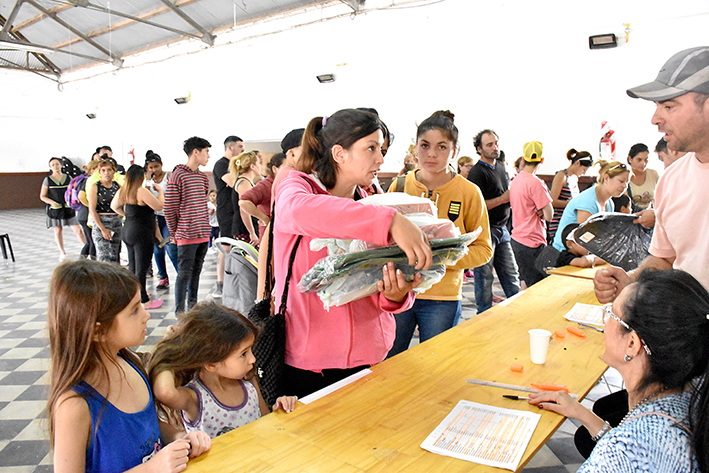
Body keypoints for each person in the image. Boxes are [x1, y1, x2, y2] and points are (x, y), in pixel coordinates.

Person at [273, 109, 432, 398]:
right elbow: (299, 210)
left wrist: (396, 295)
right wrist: (389, 221)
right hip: (310, 363)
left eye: (381, 149)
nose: (381, 159)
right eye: (371, 148)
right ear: (339, 153)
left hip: (371, 355)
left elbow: (377, 285)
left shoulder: (370, 199)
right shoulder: (296, 189)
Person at [529, 269, 709, 472]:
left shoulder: (617, 455)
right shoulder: (689, 394)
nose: (604, 322)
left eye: (611, 314)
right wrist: (579, 412)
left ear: (632, 343)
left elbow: (626, 455)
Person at [46, 260, 210, 473]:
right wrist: (152, 469)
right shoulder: (74, 405)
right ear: (98, 331)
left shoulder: (131, 364)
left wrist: (180, 438)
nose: (146, 315)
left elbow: (148, 429)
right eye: (134, 310)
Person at [595, 46, 709, 303]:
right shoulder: (671, 180)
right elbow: (666, 259)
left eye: (669, 106)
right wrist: (632, 280)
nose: (655, 118)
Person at [385, 111, 492, 357]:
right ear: (415, 148)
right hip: (400, 291)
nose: (432, 154)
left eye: (442, 147)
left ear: (454, 151)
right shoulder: (400, 186)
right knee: (389, 363)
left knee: (436, 364)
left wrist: (444, 258)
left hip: (442, 298)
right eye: (425, 145)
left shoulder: (469, 193)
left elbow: (484, 249)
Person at [149, 302, 297, 439]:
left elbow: (265, 420)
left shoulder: (247, 380)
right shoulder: (195, 398)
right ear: (211, 363)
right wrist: (167, 347)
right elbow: (165, 392)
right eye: (243, 354)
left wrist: (279, 410)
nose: (253, 359)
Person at [468, 129, 520, 313]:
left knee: (510, 273)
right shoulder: (477, 173)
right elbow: (477, 207)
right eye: (489, 144)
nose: (495, 147)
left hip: (502, 228)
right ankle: (483, 314)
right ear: (479, 149)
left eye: (496, 143)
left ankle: (518, 311)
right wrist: (502, 199)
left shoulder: (500, 167)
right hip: (485, 230)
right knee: (484, 277)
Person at [164, 137, 212, 315]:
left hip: (203, 232)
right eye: (206, 151)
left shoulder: (202, 177)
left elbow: (201, 203)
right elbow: (169, 207)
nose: (208, 156)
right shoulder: (178, 175)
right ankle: (180, 312)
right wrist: (174, 233)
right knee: (184, 274)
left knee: (196, 273)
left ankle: (192, 309)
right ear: (195, 152)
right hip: (186, 234)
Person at [111, 164, 165, 310]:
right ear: (140, 177)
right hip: (141, 233)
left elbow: (113, 206)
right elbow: (159, 206)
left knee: (133, 267)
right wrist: (160, 192)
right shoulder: (140, 191)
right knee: (142, 268)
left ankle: (134, 296)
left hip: (127, 230)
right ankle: (144, 300)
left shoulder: (123, 190)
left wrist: (127, 216)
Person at [552, 160, 630, 252]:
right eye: (621, 181)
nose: (625, 186)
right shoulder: (588, 201)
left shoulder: (609, 203)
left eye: (627, 182)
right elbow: (583, 240)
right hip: (563, 253)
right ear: (606, 178)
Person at [509, 141, 553, 287]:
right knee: (536, 287)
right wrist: (542, 210)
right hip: (533, 241)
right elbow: (549, 215)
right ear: (542, 160)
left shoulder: (516, 180)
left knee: (524, 282)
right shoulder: (536, 183)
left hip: (517, 238)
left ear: (523, 159)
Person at [212, 135, 245, 298]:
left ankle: (236, 280)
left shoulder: (235, 165)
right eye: (240, 147)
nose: (242, 150)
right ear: (230, 147)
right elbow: (235, 182)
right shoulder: (221, 164)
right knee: (225, 246)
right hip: (226, 211)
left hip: (237, 211)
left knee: (238, 245)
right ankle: (220, 283)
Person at [40, 157, 86, 261]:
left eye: (57, 164)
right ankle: (62, 252)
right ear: (50, 167)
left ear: (61, 165)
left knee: (78, 230)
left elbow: (72, 191)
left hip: (68, 208)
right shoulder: (47, 180)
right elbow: (42, 196)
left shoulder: (68, 177)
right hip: (55, 209)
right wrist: (52, 202)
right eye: (53, 165)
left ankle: (86, 248)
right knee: (57, 230)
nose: (55, 167)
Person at [547, 149, 593, 243]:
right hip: (559, 222)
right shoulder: (562, 176)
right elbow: (552, 201)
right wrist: (572, 204)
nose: (583, 173)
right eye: (584, 169)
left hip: (571, 221)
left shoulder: (574, 178)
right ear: (577, 163)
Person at [240, 152, 286, 242]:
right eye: (285, 167)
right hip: (270, 237)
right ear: (275, 169)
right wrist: (264, 218)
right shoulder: (266, 185)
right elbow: (244, 202)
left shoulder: (286, 184)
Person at [88, 159, 122, 263]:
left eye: (109, 170)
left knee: (115, 254)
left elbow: (122, 204)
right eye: (103, 170)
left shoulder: (117, 186)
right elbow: (92, 209)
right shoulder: (95, 186)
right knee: (103, 255)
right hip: (101, 220)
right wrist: (102, 229)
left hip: (116, 221)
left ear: (113, 171)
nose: (106, 173)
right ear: (99, 172)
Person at [229, 150, 263, 246]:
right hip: (244, 229)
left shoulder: (247, 181)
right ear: (252, 166)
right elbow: (244, 210)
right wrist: (252, 233)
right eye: (258, 164)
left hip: (247, 226)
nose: (260, 167)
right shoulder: (244, 183)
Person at [76, 160, 99, 260]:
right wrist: (91, 207)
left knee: (90, 241)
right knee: (92, 241)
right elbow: (81, 196)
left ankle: (82, 261)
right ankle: (90, 263)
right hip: (86, 215)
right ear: (92, 170)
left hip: (84, 214)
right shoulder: (89, 181)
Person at [626, 143, 659, 213]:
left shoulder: (653, 174)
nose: (643, 163)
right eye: (639, 160)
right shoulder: (625, 176)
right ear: (630, 159)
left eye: (646, 160)